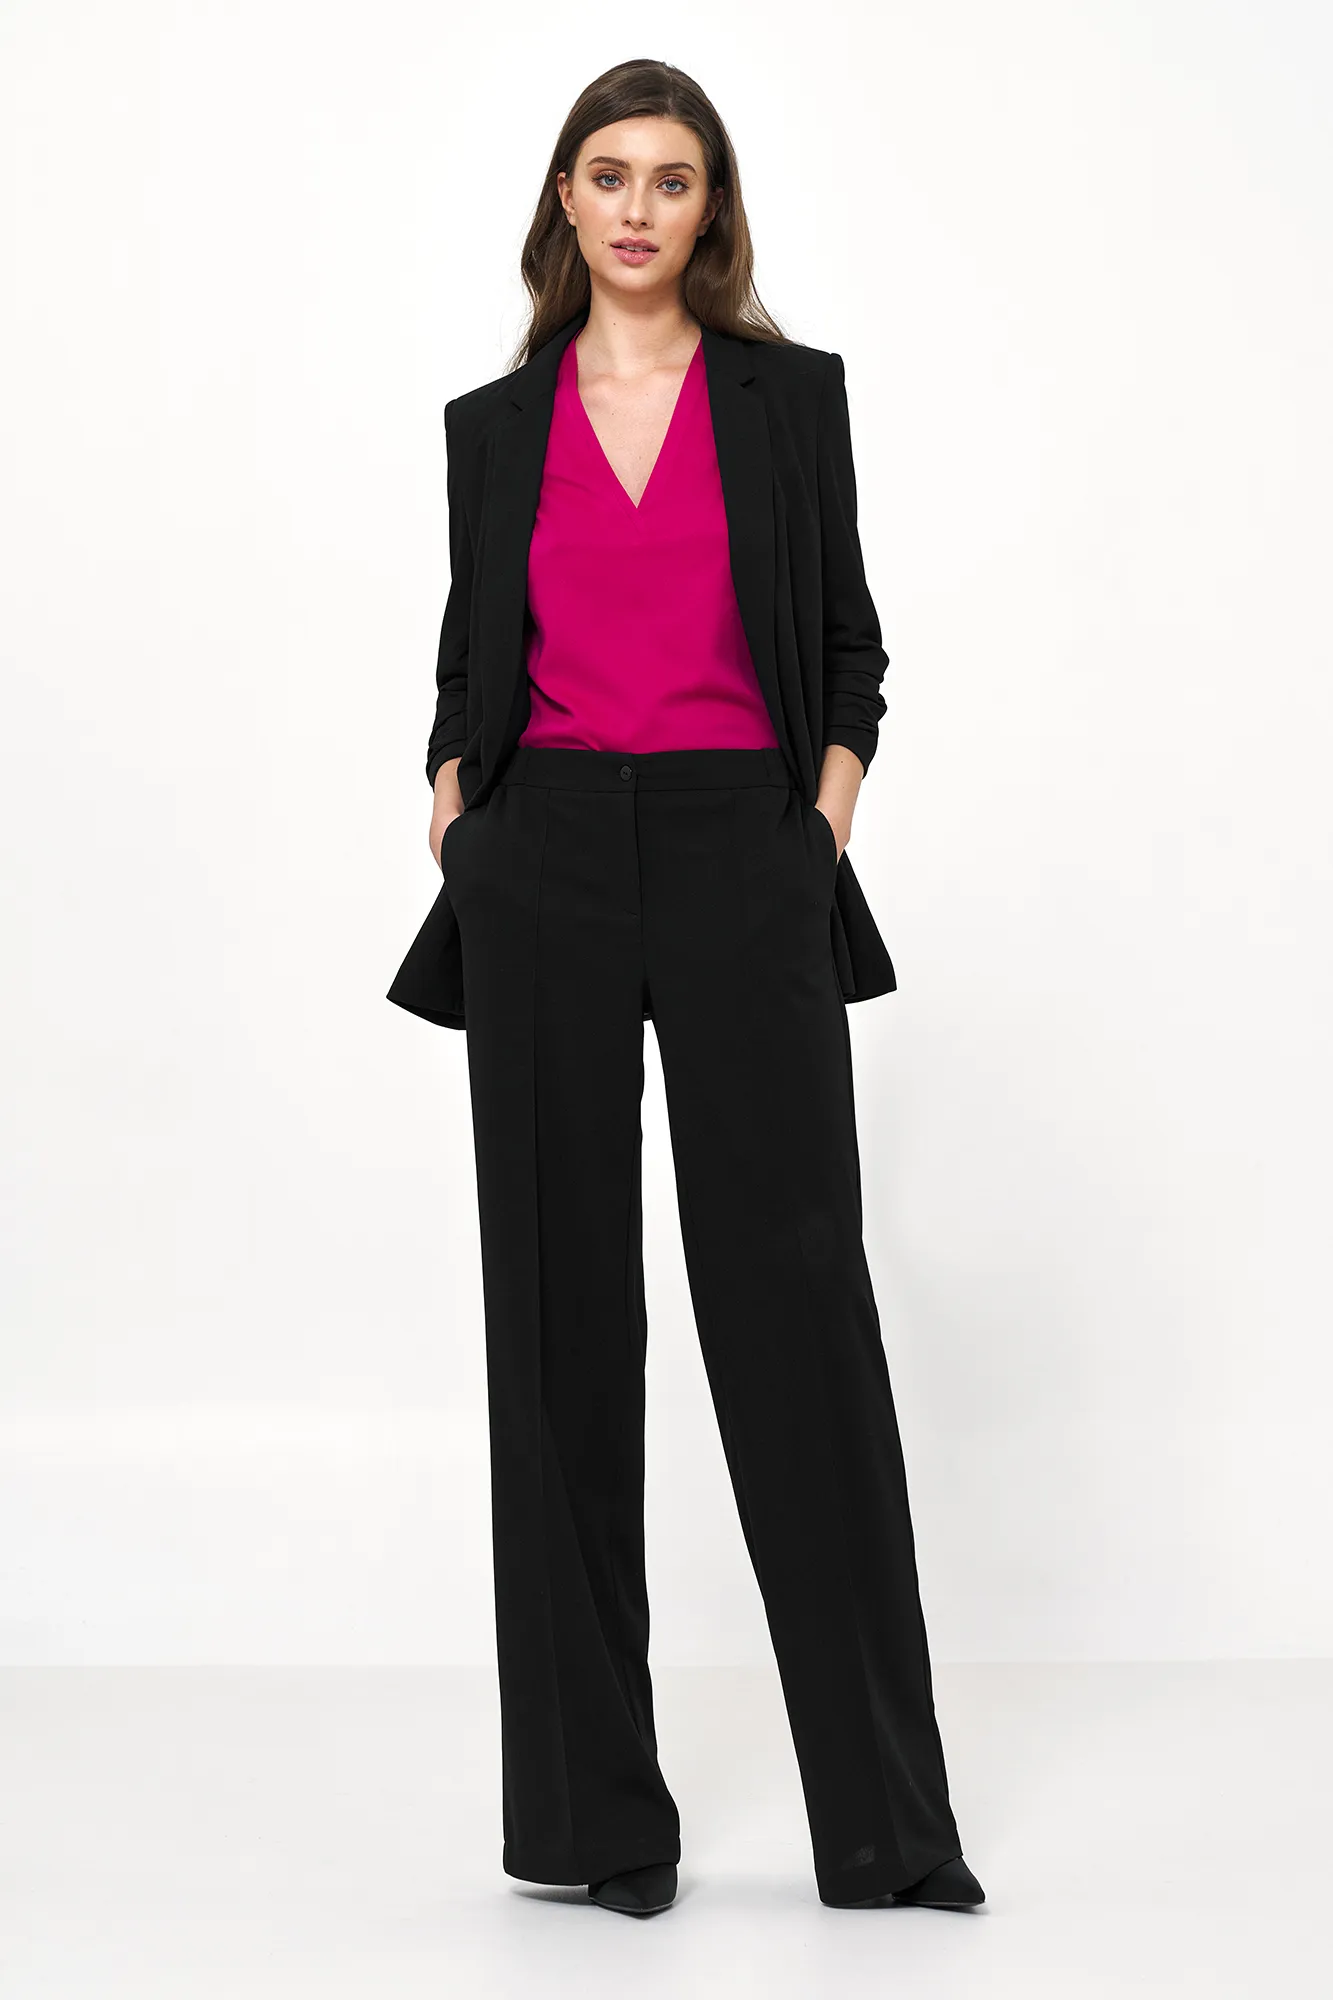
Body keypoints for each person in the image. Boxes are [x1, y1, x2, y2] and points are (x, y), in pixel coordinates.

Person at [388, 57, 985, 1920]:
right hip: (545, 865)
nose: (639, 207)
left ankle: (885, 1831)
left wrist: (815, 832)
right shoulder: (496, 428)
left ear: (710, 207)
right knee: (557, 1326)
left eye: (672, 177)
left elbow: (848, 649)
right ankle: (594, 1828)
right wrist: (460, 814)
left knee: (798, 1307)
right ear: (564, 203)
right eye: (608, 174)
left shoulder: (788, 404)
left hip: (745, 854)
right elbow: (469, 663)